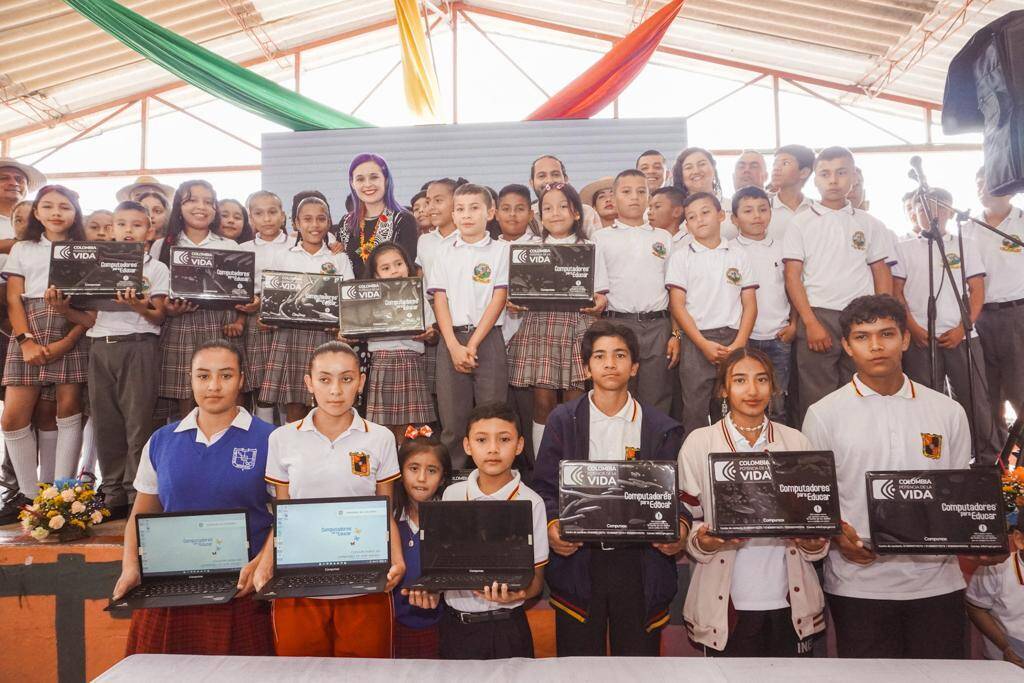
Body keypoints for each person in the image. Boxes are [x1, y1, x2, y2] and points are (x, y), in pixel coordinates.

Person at [802, 294, 973, 659]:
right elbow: (817, 501)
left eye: (887, 334)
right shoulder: (823, 414)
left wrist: (979, 538)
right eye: (862, 337)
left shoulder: (948, 411)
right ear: (846, 346)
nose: (876, 346)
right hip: (858, 584)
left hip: (937, 582)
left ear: (906, 339)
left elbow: (959, 496)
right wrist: (836, 537)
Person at [111, 340, 276, 655]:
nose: (213, 386)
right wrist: (131, 566)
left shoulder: (271, 439)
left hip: (241, 592)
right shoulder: (161, 441)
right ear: (190, 379)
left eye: (226, 376)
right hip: (170, 586)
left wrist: (261, 563)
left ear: (242, 380)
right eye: (203, 376)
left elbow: (285, 514)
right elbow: (140, 515)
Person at [533, 320, 686, 656]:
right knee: (578, 669)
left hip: (640, 564)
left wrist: (678, 533)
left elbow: (677, 499)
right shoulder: (563, 419)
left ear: (634, 367)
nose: (610, 363)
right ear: (586, 367)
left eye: (620, 355)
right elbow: (544, 488)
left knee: (636, 669)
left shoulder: (661, 427)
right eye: (600, 356)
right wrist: (554, 526)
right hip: (580, 563)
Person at [256, 341, 405, 658]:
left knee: (366, 671)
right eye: (324, 379)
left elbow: (385, 510)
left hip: (364, 572)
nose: (335, 390)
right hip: (299, 574)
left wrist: (397, 557)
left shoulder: (380, 438)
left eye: (346, 379)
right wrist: (267, 559)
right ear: (308, 383)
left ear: (361, 382)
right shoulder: (282, 438)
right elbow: (284, 513)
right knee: (300, 670)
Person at [679, 347, 828, 656]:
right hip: (726, 607)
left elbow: (817, 527)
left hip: (790, 603)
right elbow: (688, 522)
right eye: (740, 380)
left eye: (761, 380)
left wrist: (813, 542)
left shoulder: (795, 442)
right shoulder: (699, 442)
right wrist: (706, 541)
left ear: (773, 387)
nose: (752, 390)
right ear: (723, 389)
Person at [406, 402, 549, 660]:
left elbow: (537, 581)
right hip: (455, 627)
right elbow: (443, 569)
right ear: (467, 446)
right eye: (482, 440)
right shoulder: (452, 494)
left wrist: (519, 593)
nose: (493, 449)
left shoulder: (532, 503)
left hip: (507, 627)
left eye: (504, 439)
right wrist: (429, 591)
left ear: (519, 445)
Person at [782, 146, 893, 424]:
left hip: (862, 318)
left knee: (864, 388)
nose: (833, 180)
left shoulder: (869, 223)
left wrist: (881, 319)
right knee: (817, 396)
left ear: (853, 176)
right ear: (815, 180)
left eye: (841, 173)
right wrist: (810, 322)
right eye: (826, 174)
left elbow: (881, 272)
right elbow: (792, 276)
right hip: (818, 315)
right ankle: (820, 460)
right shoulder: (801, 222)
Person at [73, 201, 168, 518]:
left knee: (138, 423)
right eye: (122, 224)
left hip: (138, 346)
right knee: (106, 421)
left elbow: (158, 317)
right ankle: (112, 491)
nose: (129, 230)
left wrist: (138, 305)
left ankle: (135, 491)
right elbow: (86, 316)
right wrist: (61, 307)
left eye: (137, 224)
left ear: (149, 231)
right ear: (111, 230)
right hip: (100, 346)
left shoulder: (156, 269)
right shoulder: (96, 266)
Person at [893, 188, 1000, 462]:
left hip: (963, 337)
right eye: (924, 208)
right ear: (915, 213)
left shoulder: (965, 244)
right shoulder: (903, 249)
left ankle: (986, 462)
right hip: (920, 339)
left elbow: (976, 289)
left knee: (975, 401)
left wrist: (963, 327)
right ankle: (933, 460)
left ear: (950, 211)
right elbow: (897, 293)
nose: (933, 214)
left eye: (940, 208)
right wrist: (914, 329)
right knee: (925, 404)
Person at [1, 185, 90, 508]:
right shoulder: (23, 248)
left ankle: (61, 493)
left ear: (75, 213)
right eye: (48, 206)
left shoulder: (86, 250)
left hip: (72, 327)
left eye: (65, 207)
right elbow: (13, 298)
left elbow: (91, 306)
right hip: (30, 325)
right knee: (13, 418)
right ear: (36, 212)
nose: (56, 212)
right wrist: (25, 341)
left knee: (67, 411)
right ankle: (28, 494)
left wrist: (67, 341)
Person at [507, 183, 608, 456]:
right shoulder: (527, 248)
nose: (555, 213)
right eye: (547, 208)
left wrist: (599, 302)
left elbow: (601, 295)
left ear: (577, 213)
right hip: (541, 326)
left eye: (563, 206)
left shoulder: (589, 247)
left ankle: (573, 461)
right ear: (539, 215)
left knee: (574, 401)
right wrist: (515, 302)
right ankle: (545, 464)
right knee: (543, 401)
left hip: (576, 327)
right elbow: (516, 293)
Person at [427, 183, 510, 466]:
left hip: (488, 340)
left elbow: (499, 297)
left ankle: (493, 482)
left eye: (474, 208)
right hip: (450, 341)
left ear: (490, 212)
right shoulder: (443, 251)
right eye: (460, 209)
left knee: (492, 419)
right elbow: (440, 299)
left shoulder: (502, 251)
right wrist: (452, 345)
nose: (466, 215)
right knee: (452, 422)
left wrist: (472, 343)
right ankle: (454, 488)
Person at [156, 180, 250, 420]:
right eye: (192, 200)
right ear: (179, 205)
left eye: (209, 202)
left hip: (221, 325)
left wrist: (240, 318)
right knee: (186, 396)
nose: (202, 207)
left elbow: (242, 291)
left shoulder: (229, 245)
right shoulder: (162, 246)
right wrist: (168, 309)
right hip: (179, 325)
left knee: (227, 392)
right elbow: (155, 293)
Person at [667, 191, 757, 433]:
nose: (700, 220)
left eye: (705, 212)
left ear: (721, 215)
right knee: (695, 408)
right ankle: (694, 465)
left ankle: (729, 461)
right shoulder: (681, 257)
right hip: (697, 340)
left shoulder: (739, 255)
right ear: (686, 225)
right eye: (692, 217)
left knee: (730, 405)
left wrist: (740, 342)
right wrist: (702, 343)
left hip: (733, 338)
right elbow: (677, 305)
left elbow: (750, 303)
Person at [260, 196, 355, 423]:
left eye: (321, 219)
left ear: (329, 221)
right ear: (296, 223)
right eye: (308, 219)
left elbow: (348, 297)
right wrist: (268, 315)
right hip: (291, 336)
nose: (315, 225)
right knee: (295, 407)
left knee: (328, 402)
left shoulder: (339, 258)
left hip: (327, 336)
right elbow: (272, 296)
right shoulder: (282, 256)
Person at [593, 169, 676, 414]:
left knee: (657, 397)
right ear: (614, 198)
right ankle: (623, 452)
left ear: (649, 197)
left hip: (658, 326)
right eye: (626, 191)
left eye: (642, 191)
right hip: (617, 324)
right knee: (617, 397)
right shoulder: (600, 238)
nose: (634, 197)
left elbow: (675, 292)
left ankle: (654, 453)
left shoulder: (663, 237)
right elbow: (596, 292)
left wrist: (676, 334)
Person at [0, 158, 45, 523]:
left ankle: (29, 488)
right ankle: (20, 488)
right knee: (13, 410)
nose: (12, 182)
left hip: (25, 323)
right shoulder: (20, 240)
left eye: (18, 179)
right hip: (15, 324)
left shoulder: (33, 237)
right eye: (4, 178)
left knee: (41, 409)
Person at [964, 166, 1024, 432]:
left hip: (1017, 315)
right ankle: (993, 463)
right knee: (986, 393)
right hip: (979, 317)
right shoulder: (967, 227)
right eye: (977, 183)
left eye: (987, 183)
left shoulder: (1021, 221)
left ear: (1008, 189)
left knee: (1019, 389)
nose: (981, 189)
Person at [731, 186, 795, 424]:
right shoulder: (729, 250)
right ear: (734, 219)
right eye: (748, 211)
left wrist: (794, 324)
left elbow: (794, 288)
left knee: (777, 401)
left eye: (762, 209)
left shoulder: (783, 248)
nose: (757, 216)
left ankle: (776, 456)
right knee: (743, 401)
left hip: (778, 336)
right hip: (742, 338)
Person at [364, 243, 437, 439]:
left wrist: (430, 334)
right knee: (382, 429)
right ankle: (388, 466)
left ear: (408, 266)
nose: (395, 271)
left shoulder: (418, 294)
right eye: (386, 268)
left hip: (411, 362)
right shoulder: (368, 298)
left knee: (412, 431)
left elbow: (432, 330)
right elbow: (358, 327)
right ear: (377, 275)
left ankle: (407, 461)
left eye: (399, 264)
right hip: (382, 362)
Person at [391, 430, 451, 659]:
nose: (422, 478)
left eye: (432, 470)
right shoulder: (391, 520)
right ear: (399, 473)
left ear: (443, 477)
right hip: (392, 624)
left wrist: (440, 591)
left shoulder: (451, 520)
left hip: (439, 625)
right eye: (413, 468)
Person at [239, 190, 289, 424]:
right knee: (262, 385)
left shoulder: (297, 243)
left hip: (291, 321)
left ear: (283, 215)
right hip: (256, 321)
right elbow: (239, 288)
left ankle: (291, 437)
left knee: (291, 386)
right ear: (251, 219)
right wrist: (253, 302)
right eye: (259, 213)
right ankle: (265, 437)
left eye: (272, 212)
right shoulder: (243, 250)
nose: (267, 218)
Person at [339, 153, 418, 278]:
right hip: (351, 295)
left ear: (386, 180)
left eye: (374, 177)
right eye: (360, 179)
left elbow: (408, 269)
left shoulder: (403, 219)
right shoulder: (345, 222)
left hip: (393, 295)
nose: (368, 184)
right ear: (352, 183)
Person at [965, 515, 1024, 669]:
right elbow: (976, 609)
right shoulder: (995, 568)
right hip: (1006, 662)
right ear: (1019, 539)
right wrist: (1005, 647)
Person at [528, 155, 602, 238]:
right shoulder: (527, 216)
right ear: (531, 183)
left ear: (566, 180)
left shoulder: (586, 213)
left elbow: (598, 247)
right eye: (542, 176)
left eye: (555, 174)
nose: (549, 181)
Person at [767, 144, 815, 241]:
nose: (776, 168)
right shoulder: (763, 209)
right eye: (775, 164)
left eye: (785, 163)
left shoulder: (817, 210)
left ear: (804, 172)